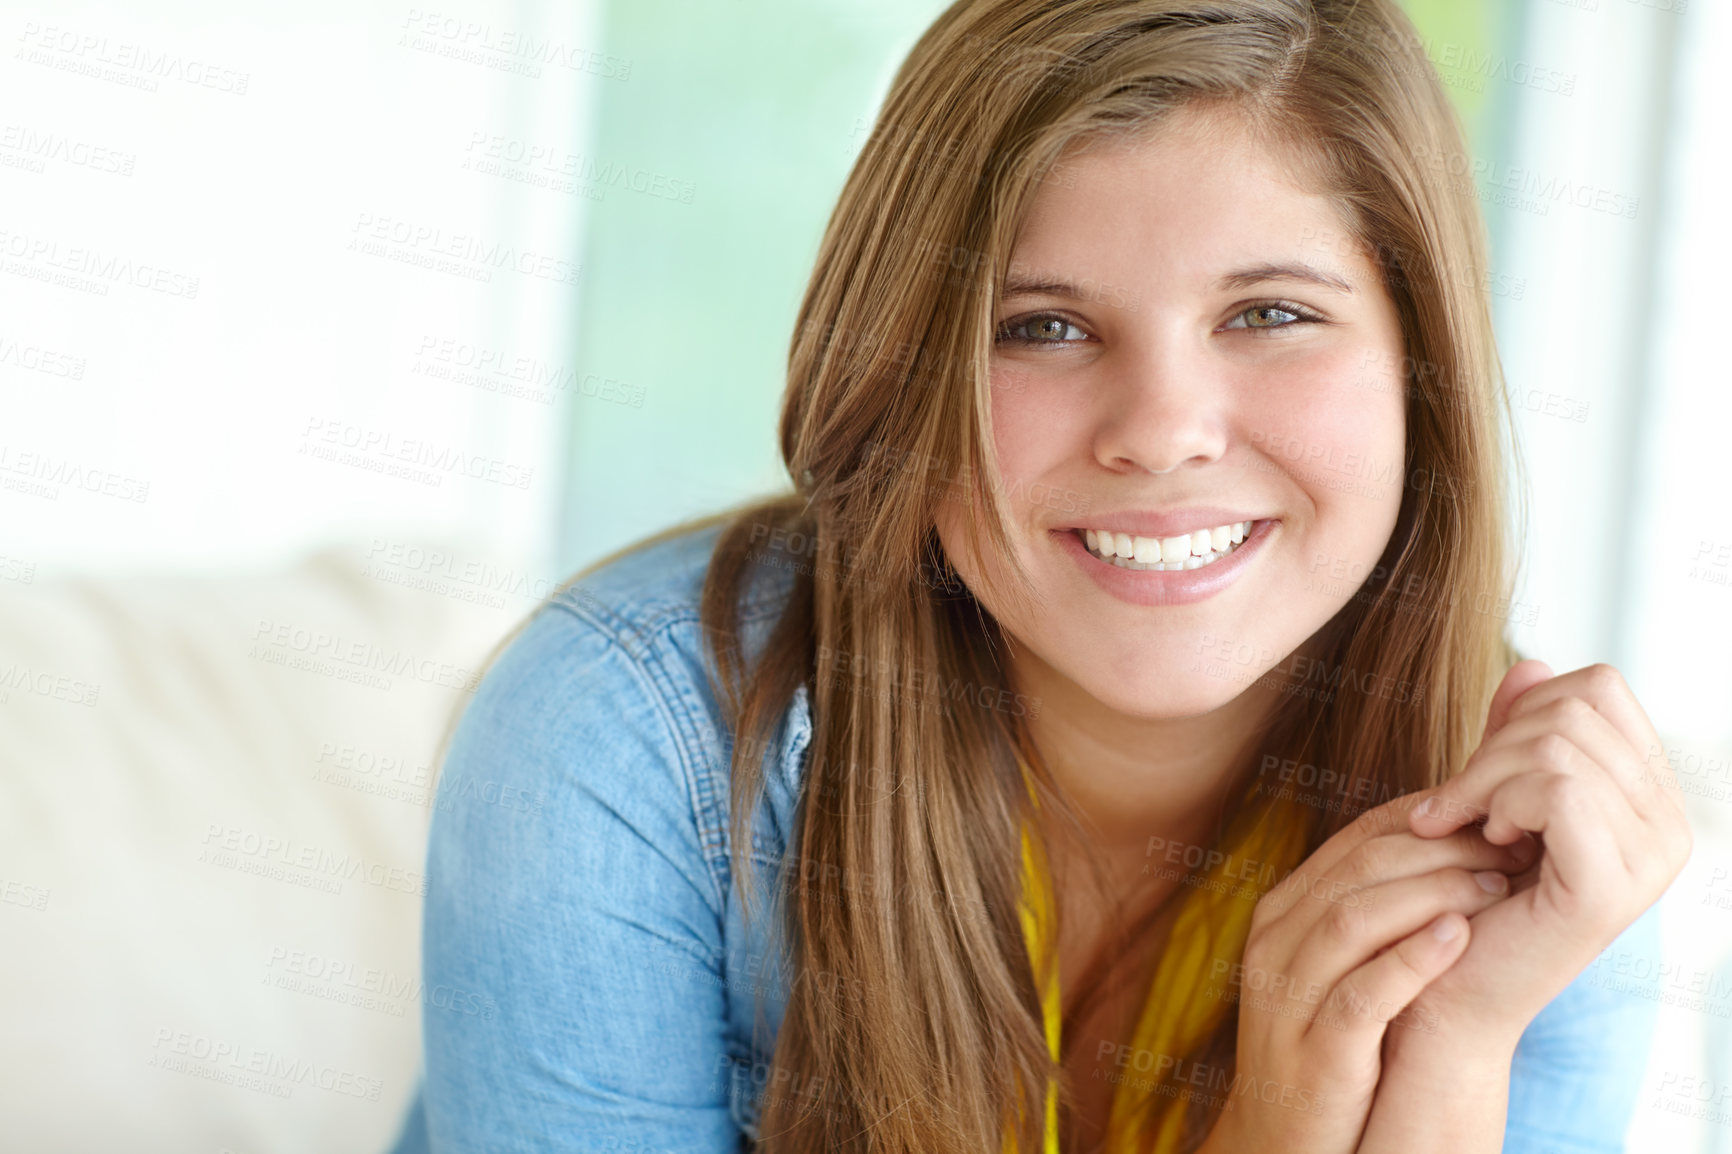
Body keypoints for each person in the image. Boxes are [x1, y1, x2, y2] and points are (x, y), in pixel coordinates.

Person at [387, 1, 1691, 1150]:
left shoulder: (1548, 859)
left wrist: (1450, 1049)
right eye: (1043, 327)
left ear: (1422, 368)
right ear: (903, 380)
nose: (1163, 428)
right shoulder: (620, 747)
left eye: (1269, 313)